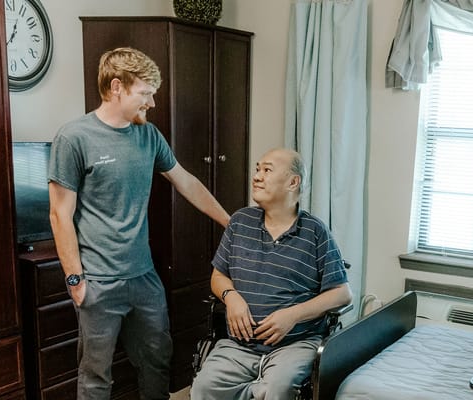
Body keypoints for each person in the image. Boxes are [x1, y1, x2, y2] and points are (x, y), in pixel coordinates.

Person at [48, 47, 230, 400]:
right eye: (146, 93)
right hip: (98, 281)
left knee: (156, 360)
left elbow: (186, 181)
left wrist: (229, 221)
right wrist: (75, 279)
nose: (152, 103)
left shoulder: (148, 136)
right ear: (117, 87)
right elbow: (59, 214)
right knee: (95, 376)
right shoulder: (74, 138)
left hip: (143, 277)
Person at [190, 148, 352, 400]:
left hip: (295, 344)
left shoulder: (315, 232)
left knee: (278, 389)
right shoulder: (240, 222)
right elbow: (218, 276)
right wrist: (231, 297)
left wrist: (292, 315)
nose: (257, 176)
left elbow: (342, 294)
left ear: (292, 182)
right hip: (239, 345)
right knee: (203, 388)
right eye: (257, 169)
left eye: (267, 170)